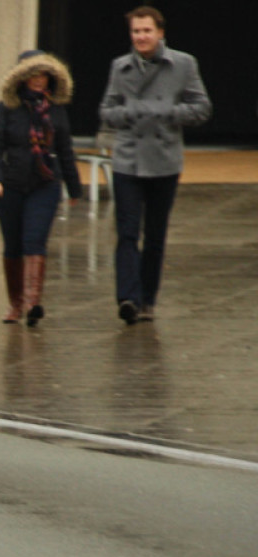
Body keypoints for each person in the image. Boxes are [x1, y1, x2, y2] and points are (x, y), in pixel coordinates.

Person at [99, 5, 211, 325]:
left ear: (160, 32)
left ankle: (148, 298)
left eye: (147, 31)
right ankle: (128, 298)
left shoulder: (184, 64)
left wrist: (167, 113)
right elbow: (107, 111)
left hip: (164, 159)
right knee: (127, 231)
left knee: (156, 235)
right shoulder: (119, 67)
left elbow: (202, 108)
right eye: (136, 31)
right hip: (128, 160)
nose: (141, 37)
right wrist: (131, 112)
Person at [0, 50, 84, 326]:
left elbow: (65, 149)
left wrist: (75, 188)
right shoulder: (7, 108)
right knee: (13, 245)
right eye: (33, 75)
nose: (39, 81)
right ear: (21, 78)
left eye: (43, 75)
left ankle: (32, 304)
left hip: (45, 182)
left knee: (35, 240)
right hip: (9, 185)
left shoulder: (56, 110)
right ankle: (15, 304)